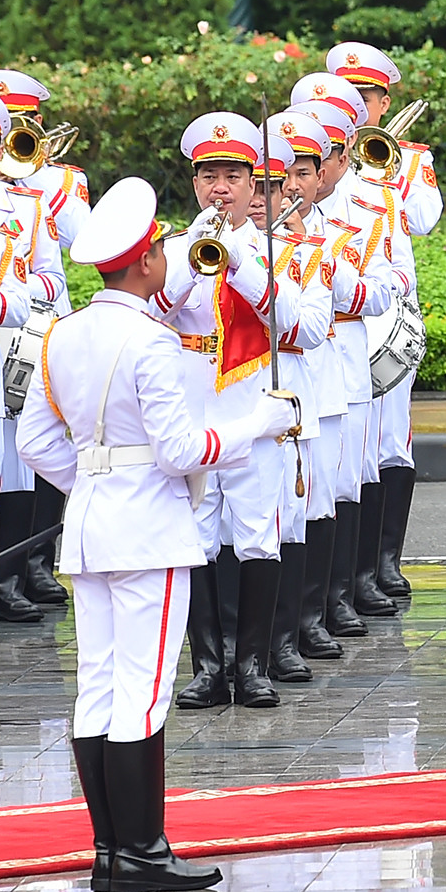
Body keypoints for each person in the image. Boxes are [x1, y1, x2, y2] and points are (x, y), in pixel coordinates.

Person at [17, 176, 297, 892]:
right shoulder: (149, 341)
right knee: (141, 690)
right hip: (147, 529)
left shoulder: (62, 334)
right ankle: (141, 849)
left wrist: (96, 484)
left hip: (89, 527)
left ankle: (111, 850)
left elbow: (36, 443)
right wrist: (255, 426)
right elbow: (179, 450)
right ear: (145, 262)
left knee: (97, 687)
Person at [156, 112, 303, 711]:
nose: (221, 188)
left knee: (257, 541)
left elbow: (291, 323)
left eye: (232, 177)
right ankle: (208, 668)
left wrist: (238, 259)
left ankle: (253, 665)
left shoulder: (273, 250)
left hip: (254, 419)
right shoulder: (173, 248)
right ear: (195, 184)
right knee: (199, 542)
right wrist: (196, 257)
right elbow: (158, 311)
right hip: (194, 421)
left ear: (253, 184)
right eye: (209, 176)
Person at [326, 44, 433, 603]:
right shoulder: (318, 172)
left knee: (390, 442)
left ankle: (383, 562)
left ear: (382, 99)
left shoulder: (405, 161)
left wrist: (395, 169)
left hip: (388, 317)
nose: (354, 106)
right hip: (340, 320)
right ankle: (349, 576)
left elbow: (425, 219)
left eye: (363, 97)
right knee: (347, 452)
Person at [0, 70, 88, 615]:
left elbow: (55, 277)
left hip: (15, 349)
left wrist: (9, 297)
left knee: (19, 464)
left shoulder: (30, 204)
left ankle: (12, 577)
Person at [258, 111, 334, 684]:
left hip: (289, 401)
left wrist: (263, 288)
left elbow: (309, 328)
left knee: (289, 521)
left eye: (268, 186)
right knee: (228, 533)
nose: (259, 199)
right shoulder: (194, 248)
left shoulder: (305, 252)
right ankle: (233, 654)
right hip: (227, 405)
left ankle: (284, 640)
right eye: (247, 185)